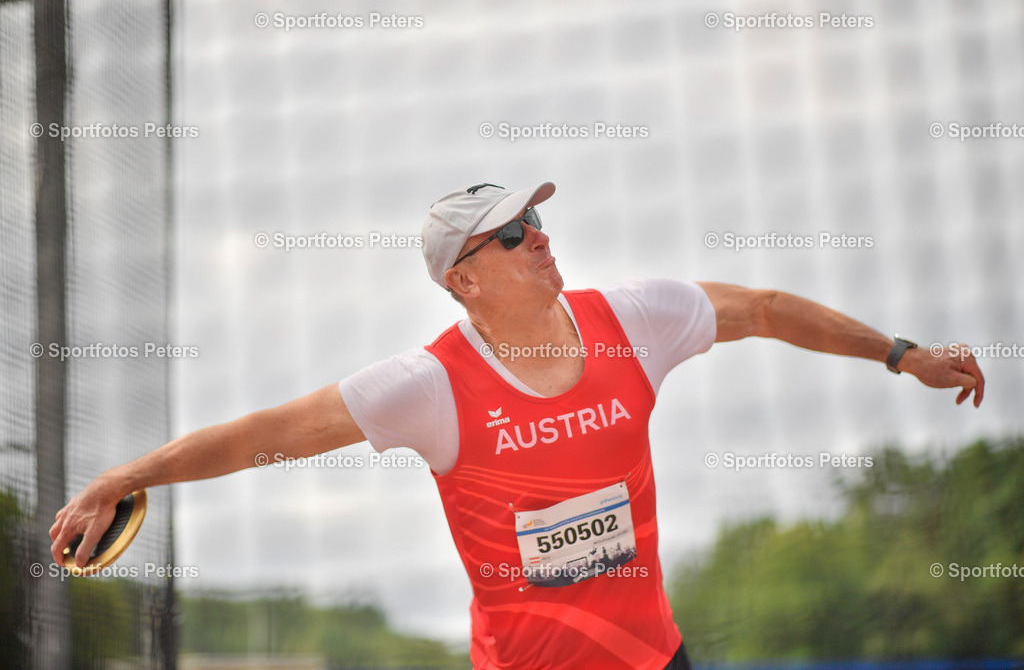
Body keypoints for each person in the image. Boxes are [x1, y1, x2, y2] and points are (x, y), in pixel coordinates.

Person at [50, 181, 985, 669]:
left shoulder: (634, 319)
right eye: (510, 233)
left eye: (534, 218)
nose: (537, 235)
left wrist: (900, 352)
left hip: (655, 659)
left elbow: (767, 308)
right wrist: (124, 476)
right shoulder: (429, 386)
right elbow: (268, 433)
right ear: (462, 278)